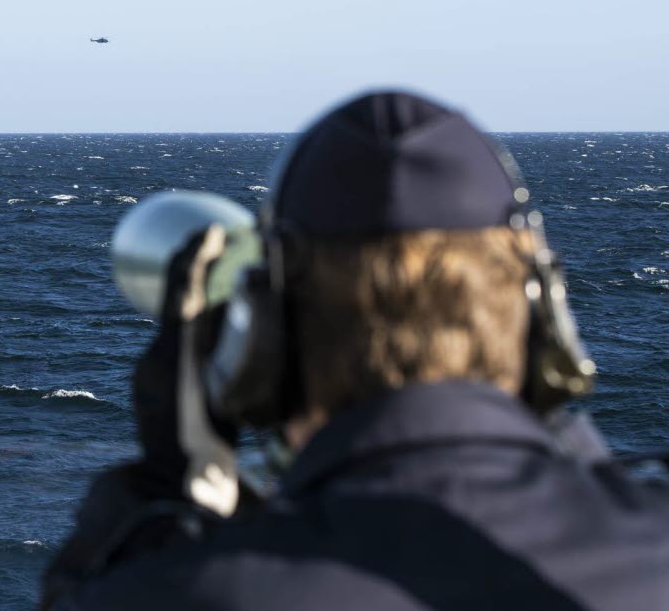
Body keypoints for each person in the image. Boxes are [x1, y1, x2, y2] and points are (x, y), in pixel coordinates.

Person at [41, 91, 669, 610]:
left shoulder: (183, 591)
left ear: (264, 341)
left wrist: (166, 491)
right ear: (544, 318)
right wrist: (575, 455)